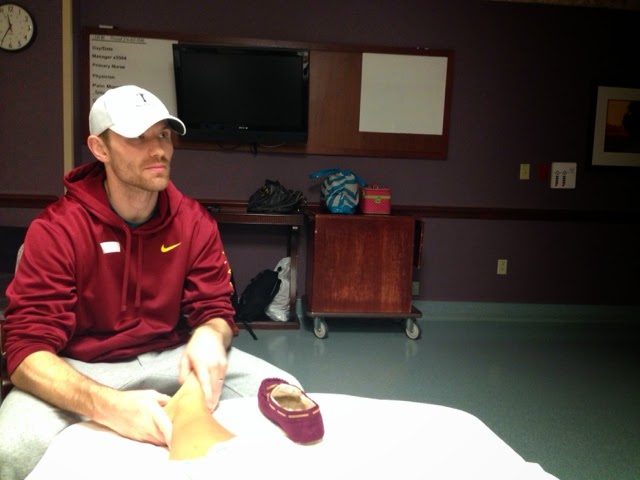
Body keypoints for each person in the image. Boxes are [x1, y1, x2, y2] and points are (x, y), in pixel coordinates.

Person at [0, 85, 300, 480]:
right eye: (137, 138)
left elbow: (215, 309)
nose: (158, 149)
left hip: (172, 357)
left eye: (163, 134)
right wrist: (109, 407)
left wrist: (211, 334)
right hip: (82, 366)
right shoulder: (57, 230)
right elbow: (25, 353)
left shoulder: (194, 222)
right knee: (10, 446)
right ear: (100, 148)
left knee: (287, 396)